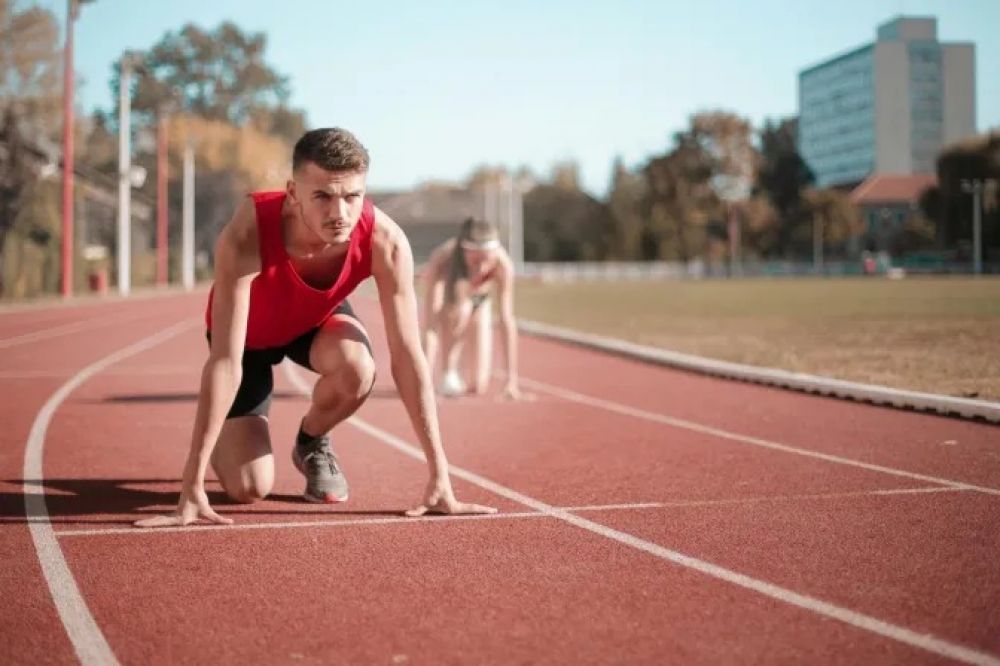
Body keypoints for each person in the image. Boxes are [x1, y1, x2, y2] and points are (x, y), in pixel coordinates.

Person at [136, 128, 495, 528]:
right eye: (322, 196)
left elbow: (409, 358)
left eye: (351, 196)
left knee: (359, 368)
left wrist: (440, 477)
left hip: (314, 323)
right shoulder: (248, 230)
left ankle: (311, 441)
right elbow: (225, 360)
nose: (339, 213)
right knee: (248, 488)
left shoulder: (385, 242)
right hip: (248, 340)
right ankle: (224, 436)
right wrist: (191, 486)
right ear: (293, 192)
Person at [420, 217, 524, 399]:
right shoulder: (443, 259)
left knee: (477, 385)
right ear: (464, 251)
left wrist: (511, 380)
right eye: (476, 261)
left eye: (487, 260)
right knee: (460, 311)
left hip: (480, 301)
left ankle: (461, 374)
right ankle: (448, 372)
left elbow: (506, 320)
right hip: (450, 300)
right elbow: (431, 325)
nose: (482, 268)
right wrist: (422, 380)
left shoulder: (503, 265)